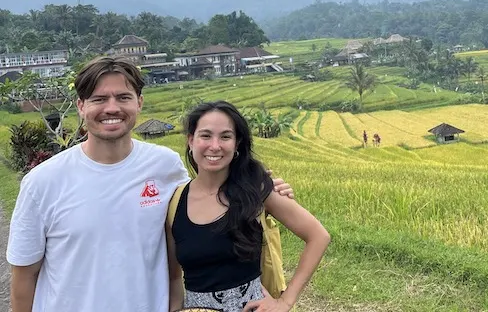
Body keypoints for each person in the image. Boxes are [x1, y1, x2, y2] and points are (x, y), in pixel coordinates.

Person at [6, 56, 294, 312]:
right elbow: (24, 279)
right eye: (98, 99)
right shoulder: (42, 182)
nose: (111, 108)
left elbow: (207, 202)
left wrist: (265, 193)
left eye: (123, 97)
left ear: (139, 102)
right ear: (81, 106)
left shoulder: (165, 166)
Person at [167, 101, 330, 312]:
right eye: (205, 136)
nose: (214, 146)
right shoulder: (175, 202)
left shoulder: (255, 191)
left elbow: (318, 236)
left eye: (225, 136)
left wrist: (285, 301)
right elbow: (174, 278)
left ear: (237, 144)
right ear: (191, 141)